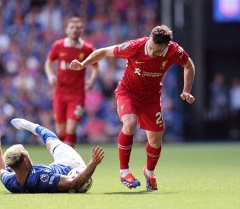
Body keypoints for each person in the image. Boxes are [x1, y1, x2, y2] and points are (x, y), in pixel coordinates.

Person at [70, 25, 195, 191]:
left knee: (156, 140)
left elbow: (189, 66)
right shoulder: (135, 46)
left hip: (151, 99)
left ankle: (149, 173)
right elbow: (103, 51)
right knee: (130, 123)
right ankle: (124, 172)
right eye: (151, 48)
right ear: (149, 39)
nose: (152, 53)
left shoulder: (174, 51)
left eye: (157, 52)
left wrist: (186, 90)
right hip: (127, 93)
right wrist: (83, 64)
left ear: (166, 47)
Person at [0, 118, 104, 193]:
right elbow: (74, 183)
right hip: (70, 165)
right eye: (27, 154)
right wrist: (93, 163)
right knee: (52, 141)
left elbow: (1, 169)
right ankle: (32, 126)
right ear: (25, 160)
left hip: (44, 169)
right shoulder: (41, 177)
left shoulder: (11, 183)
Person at [45, 17, 99, 147]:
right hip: (60, 93)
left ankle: (67, 162)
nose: (75, 30)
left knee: (71, 129)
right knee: (60, 131)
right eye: (72, 27)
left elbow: (96, 68)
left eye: (78, 27)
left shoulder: (87, 48)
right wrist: (50, 75)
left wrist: (91, 80)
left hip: (77, 94)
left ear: (82, 30)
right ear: (66, 30)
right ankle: (64, 157)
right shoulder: (58, 45)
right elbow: (48, 63)